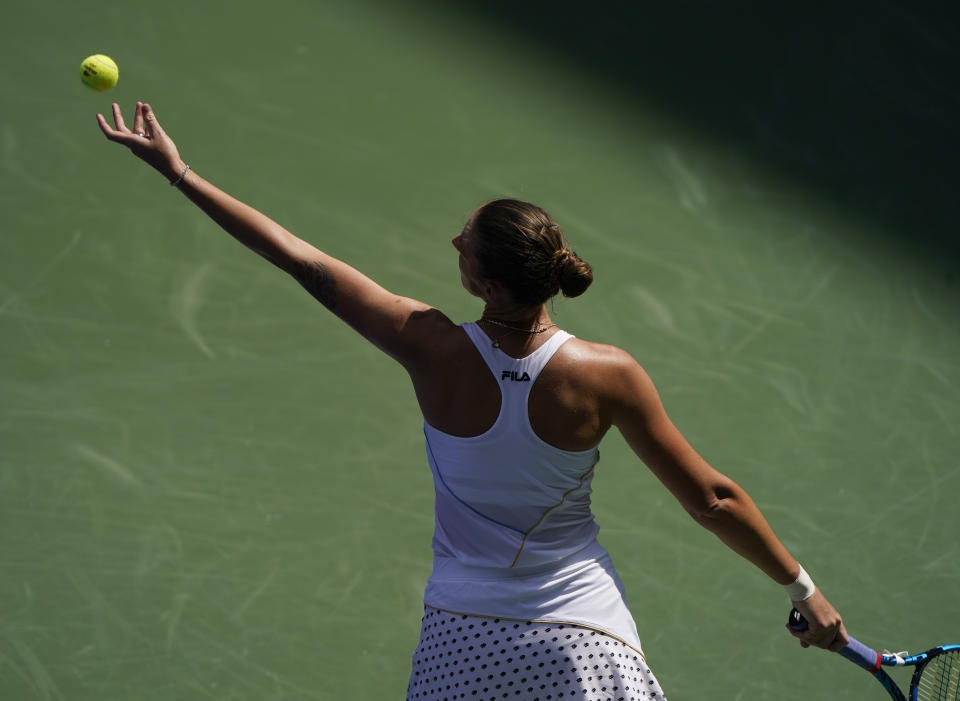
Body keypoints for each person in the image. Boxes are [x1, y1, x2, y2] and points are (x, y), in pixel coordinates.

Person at [97, 102, 848, 700]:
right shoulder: (607, 373)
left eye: (463, 243)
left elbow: (301, 260)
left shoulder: (429, 346)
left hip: (464, 639)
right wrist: (802, 588)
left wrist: (180, 173)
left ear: (488, 284)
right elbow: (713, 499)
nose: (451, 239)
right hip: (583, 639)